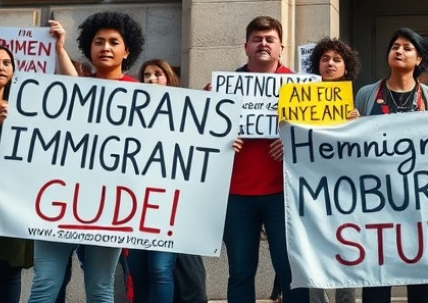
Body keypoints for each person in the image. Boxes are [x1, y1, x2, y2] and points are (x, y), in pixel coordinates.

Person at [28, 12, 146, 303]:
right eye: (99, 41)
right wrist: (58, 48)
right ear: (89, 48)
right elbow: (75, 87)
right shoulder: (77, 87)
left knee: (100, 288)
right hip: (60, 199)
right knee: (44, 283)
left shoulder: (142, 94)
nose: (105, 47)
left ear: (126, 50)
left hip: (110, 206)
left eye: (113, 42)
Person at [221, 16, 309, 303]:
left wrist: (294, 144)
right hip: (236, 195)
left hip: (284, 196)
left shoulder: (302, 89)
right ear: (246, 47)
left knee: (292, 272)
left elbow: (320, 140)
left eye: (270, 39)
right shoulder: (221, 90)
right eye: (257, 39)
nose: (263, 44)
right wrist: (218, 138)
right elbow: (201, 140)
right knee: (241, 272)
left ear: (280, 47)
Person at [353, 28, 428, 303]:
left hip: (419, 202)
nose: (399, 51)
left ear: (419, 60)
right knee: (377, 279)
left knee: (422, 280)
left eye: (407, 48)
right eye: (395, 46)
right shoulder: (367, 94)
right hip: (377, 203)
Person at [137, 59, 210, 303]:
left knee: (165, 270)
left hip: (176, 205)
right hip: (138, 205)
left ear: (170, 78)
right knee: (144, 273)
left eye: (158, 74)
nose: (151, 79)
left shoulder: (186, 112)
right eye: (146, 75)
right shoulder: (132, 115)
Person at [307, 38, 361, 303]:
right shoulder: (298, 100)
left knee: (346, 247)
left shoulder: (356, 101)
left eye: (337, 59)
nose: (330, 64)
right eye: (325, 59)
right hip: (311, 186)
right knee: (313, 248)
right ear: (317, 65)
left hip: (345, 189)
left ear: (346, 67)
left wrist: (358, 125)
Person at [0, 44, 33, 303]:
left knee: (9, 273)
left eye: (6, 63)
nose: (1, 67)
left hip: (13, 197)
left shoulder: (24, 106)